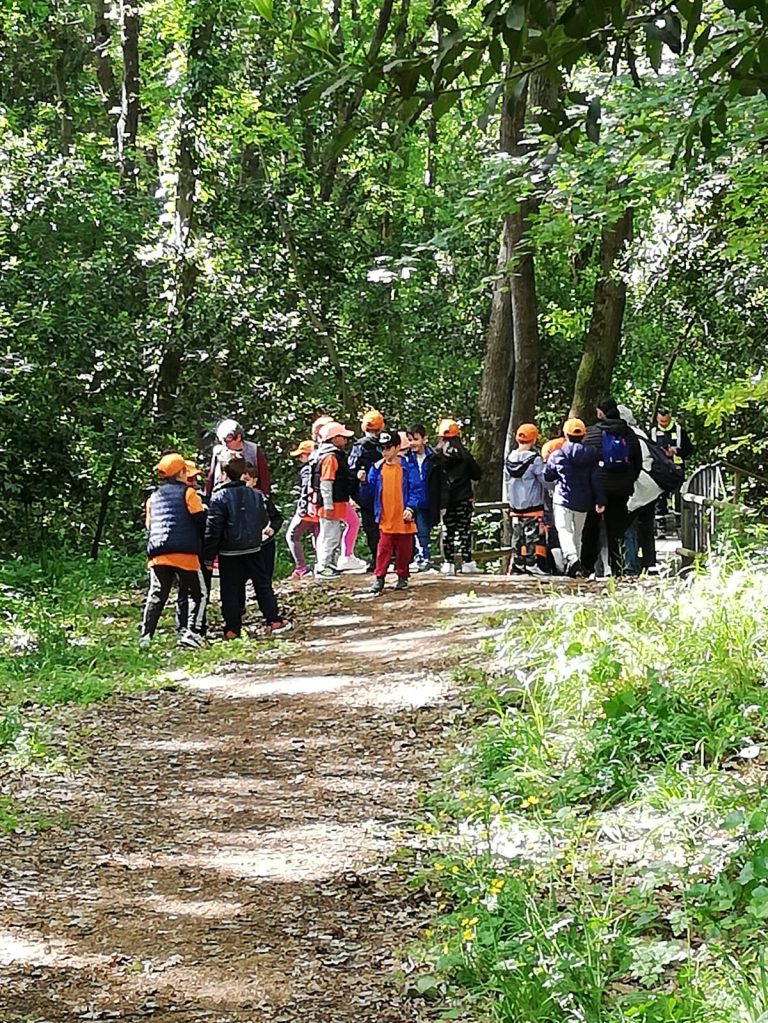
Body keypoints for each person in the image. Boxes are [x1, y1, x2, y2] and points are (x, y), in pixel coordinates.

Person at [203, 453, 290, 637]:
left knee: (230, 589)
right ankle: (273, 620)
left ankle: (232, 629)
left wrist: (209, 555)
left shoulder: (219, 498)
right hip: (254, 548)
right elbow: (261, 520)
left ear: (223, 473)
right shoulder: (255, 495)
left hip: (229, 551)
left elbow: (213, 528)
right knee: (262, 584)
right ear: (243, 472)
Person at [140, 453, 207, 649]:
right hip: (184, 553)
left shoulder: (154, 497)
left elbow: (149, 525)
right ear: (181, 472)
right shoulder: (188, 493)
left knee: (157, 594)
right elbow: (200, 519)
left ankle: (146, 636)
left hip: (158, 554)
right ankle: (192, 633)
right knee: (198, 593)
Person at [581, 397, 642, 577]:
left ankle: (586, 568)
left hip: (597, 489)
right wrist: (628, 480)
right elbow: (637, 462)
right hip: (621, 489)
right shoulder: (629, 434)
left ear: (600, 412)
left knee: (591, 528)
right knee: (617, 529)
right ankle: (619, 568)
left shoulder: (591, 434)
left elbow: (585, 460)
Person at [544, 419, 605, 577]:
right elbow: (596, 479)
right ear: (584, 435)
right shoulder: (592, 454)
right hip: (584, 501)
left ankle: (572, 558)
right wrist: (600, 500)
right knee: (578, 533)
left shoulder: (558, 454)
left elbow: (548, 475)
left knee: (564, 530)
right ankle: (575, 567)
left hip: (563, 498)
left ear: (565, 434)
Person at [363, 431, 420, 594]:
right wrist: (363, 482)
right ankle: (379, 578)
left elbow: (416, 489)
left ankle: (402, 576)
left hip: (403, 518)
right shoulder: (377, 468)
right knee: (383, 548)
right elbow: (369, 491)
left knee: (404, 549)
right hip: (385, 517)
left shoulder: (408, 467)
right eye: (382, 448)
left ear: (397, 447)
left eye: (388, 447)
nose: (385, 451)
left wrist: (410, 507)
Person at [618, 405, 662, 574]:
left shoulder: (623, 437)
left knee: (628, 526)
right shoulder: (641, 433)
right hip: (651, 487)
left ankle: (630, 565)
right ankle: (649, 561)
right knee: (647, 525)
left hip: (636, 487)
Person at [435, 419, 482, 576]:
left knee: (447, 530)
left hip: (445, 500)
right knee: (464, 530)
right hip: (463, 498)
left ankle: (448, 563)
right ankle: (467, 562)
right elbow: (477, 474)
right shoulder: (465, 454)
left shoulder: (437, 456)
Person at [504, 423, 548, 576]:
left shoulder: (509, 458)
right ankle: (531, 563)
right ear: (534, 439)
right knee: (531, 535)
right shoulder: (535, 459)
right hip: (532, 504)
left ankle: (517, 563)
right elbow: (544, 479)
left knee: (517, 535)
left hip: (515, 505)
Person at [313, 420, 355, 578]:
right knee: (331, 535)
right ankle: (323, 566)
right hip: (330, 504)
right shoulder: (331, 457)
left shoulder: (322, 454)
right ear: (334, 438)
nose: (345, 440)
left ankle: (326, 564)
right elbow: (326, 482)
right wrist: (329, 504)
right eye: (342, 436)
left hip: (329, 502)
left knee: (327, 534)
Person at [404, 424, 446, 571]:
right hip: (413, 502)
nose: (412, 443)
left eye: (415, 439)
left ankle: (427, 557)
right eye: (410, 440)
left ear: (424, 439)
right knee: (420, 531)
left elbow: (442, 482)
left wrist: (443, 503)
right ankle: (422, 557)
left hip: (431, 499)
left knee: (428, 530)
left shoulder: (435, 458)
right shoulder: (406, 459)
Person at [349, 410, 385, 569]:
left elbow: (351, 470)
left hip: (367, 493)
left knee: (371, 527)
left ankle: (378, 559)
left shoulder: (359, 446)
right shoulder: (386, 444)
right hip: (385, 490)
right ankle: (388, 557)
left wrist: (353, 494)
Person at [651, 407, 693, 534]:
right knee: (659, 497)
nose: (663, 424)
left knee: (678, 495)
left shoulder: (679, 431)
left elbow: (689, 449)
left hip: (676, 468)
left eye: (666, 421)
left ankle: (680, 525)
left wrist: (676, 452)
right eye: (661, 421)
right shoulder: (652, 432)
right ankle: (661, 527)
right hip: (659, 469)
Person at [205, 418, 271, 497]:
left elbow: (264, 477)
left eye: (227, 441)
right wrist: (206, 497)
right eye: (222, 441)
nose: (225, 444)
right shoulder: (218, 452)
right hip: (223, 497)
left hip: (248, 497)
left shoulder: (253, 450)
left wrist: (264, 497)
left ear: (238, 437)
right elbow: (211, 477)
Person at [285, 439, 318, 579]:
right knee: (318, 536)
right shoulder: (320, 466)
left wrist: (304, 507)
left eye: (301, 455)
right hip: (319, 508)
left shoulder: (307, 469)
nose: (300, 458)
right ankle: (322, 565)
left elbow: (307, 489)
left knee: (292, 536)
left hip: (308, 509)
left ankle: (301, 568)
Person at [540, 436, 567, 574]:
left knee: (552, 540)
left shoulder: (544, 470)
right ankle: (561, 566)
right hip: (559, 511)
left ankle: (555, 567)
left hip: (548, 513)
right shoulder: (563, 468)